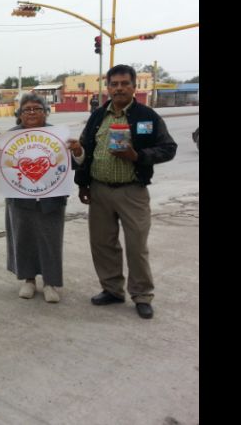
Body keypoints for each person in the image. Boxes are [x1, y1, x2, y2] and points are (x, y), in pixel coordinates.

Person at [74, 64, 177, 319]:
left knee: (136, 246)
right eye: (114, 84)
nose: (119, 88)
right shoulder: (98, 116)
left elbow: (168, 148)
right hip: (99, 190)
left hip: (132, 191)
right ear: (108, 87)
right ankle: (112, 290)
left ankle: (142, 295)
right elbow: (85, 149)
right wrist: (83, 183)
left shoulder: (147, 116)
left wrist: (137, 156)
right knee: (102, 244)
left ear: (133, 87)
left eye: (124, 84)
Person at [0, 94, 82, 304]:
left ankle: (50, 283)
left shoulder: (59, 136)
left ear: (46, 112)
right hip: (20, 200)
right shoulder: (9, 137)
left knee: (50, 242)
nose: (32, 113)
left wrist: (78, 151)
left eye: (37, 108)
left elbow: (75, 163)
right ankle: (28, 280)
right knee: (23, 239)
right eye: (27, 109)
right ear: (19, 114)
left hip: (51, 200)